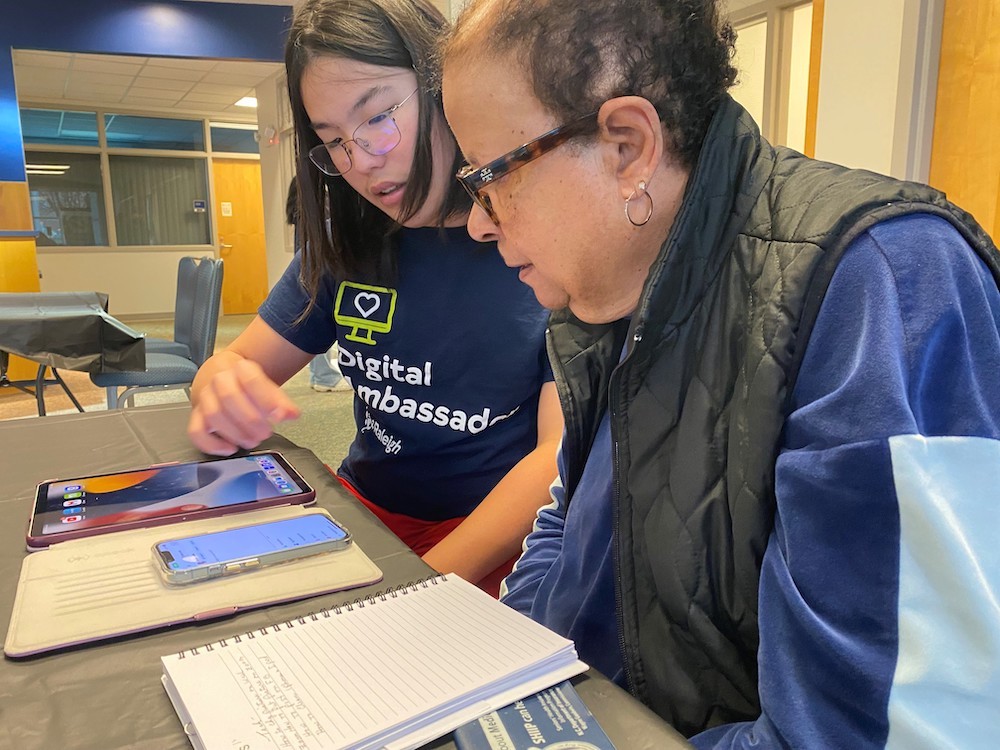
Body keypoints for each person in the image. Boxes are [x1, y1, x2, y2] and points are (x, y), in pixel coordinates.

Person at [441, 0, 1000, 746]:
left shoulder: (884, 280)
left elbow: (867, 729)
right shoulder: (605, 284)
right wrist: (503, 693)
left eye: (490, 179)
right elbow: (570, 527)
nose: (480, 222)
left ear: (628, 146)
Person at [188, 0, 562, 597]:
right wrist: (219, 385)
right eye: (334, 141)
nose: (360, 160)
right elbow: (235, 364)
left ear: (443, 89)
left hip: (491, 533)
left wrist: (416, 585)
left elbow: (553, 461)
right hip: (364, 508)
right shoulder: (350, 245)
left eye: (377, 117)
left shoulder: (536, 243)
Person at [284, 178, 352, 393]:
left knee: (311, 321)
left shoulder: (300, 210)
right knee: (318, 325)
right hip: (316, 270)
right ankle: (324, 377)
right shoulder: (318, 209)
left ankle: (320, 375)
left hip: (307, 268)